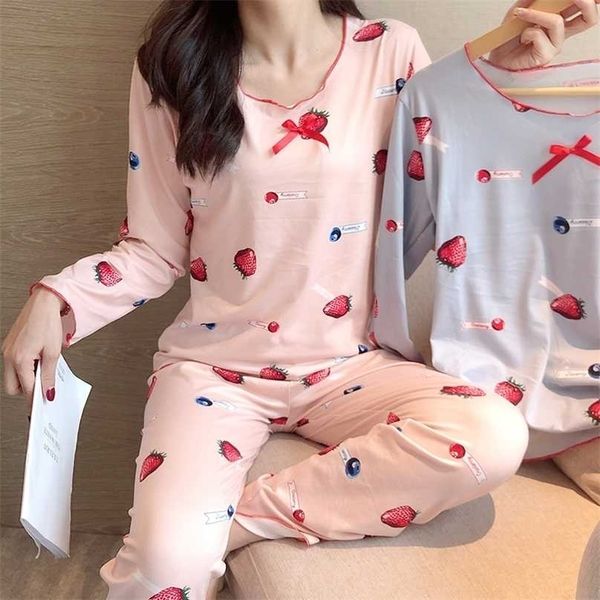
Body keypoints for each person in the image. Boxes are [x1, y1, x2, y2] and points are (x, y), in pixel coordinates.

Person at [2, 1, 596, 599]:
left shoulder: (390, 51)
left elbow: (445, 200)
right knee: (160, 573)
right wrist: (59, 298)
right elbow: (155, 248)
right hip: (213, 371)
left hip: (355, 366)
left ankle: (225, 528)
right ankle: (185, 542)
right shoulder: (172, 64)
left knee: (493, 435)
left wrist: (497, 80)